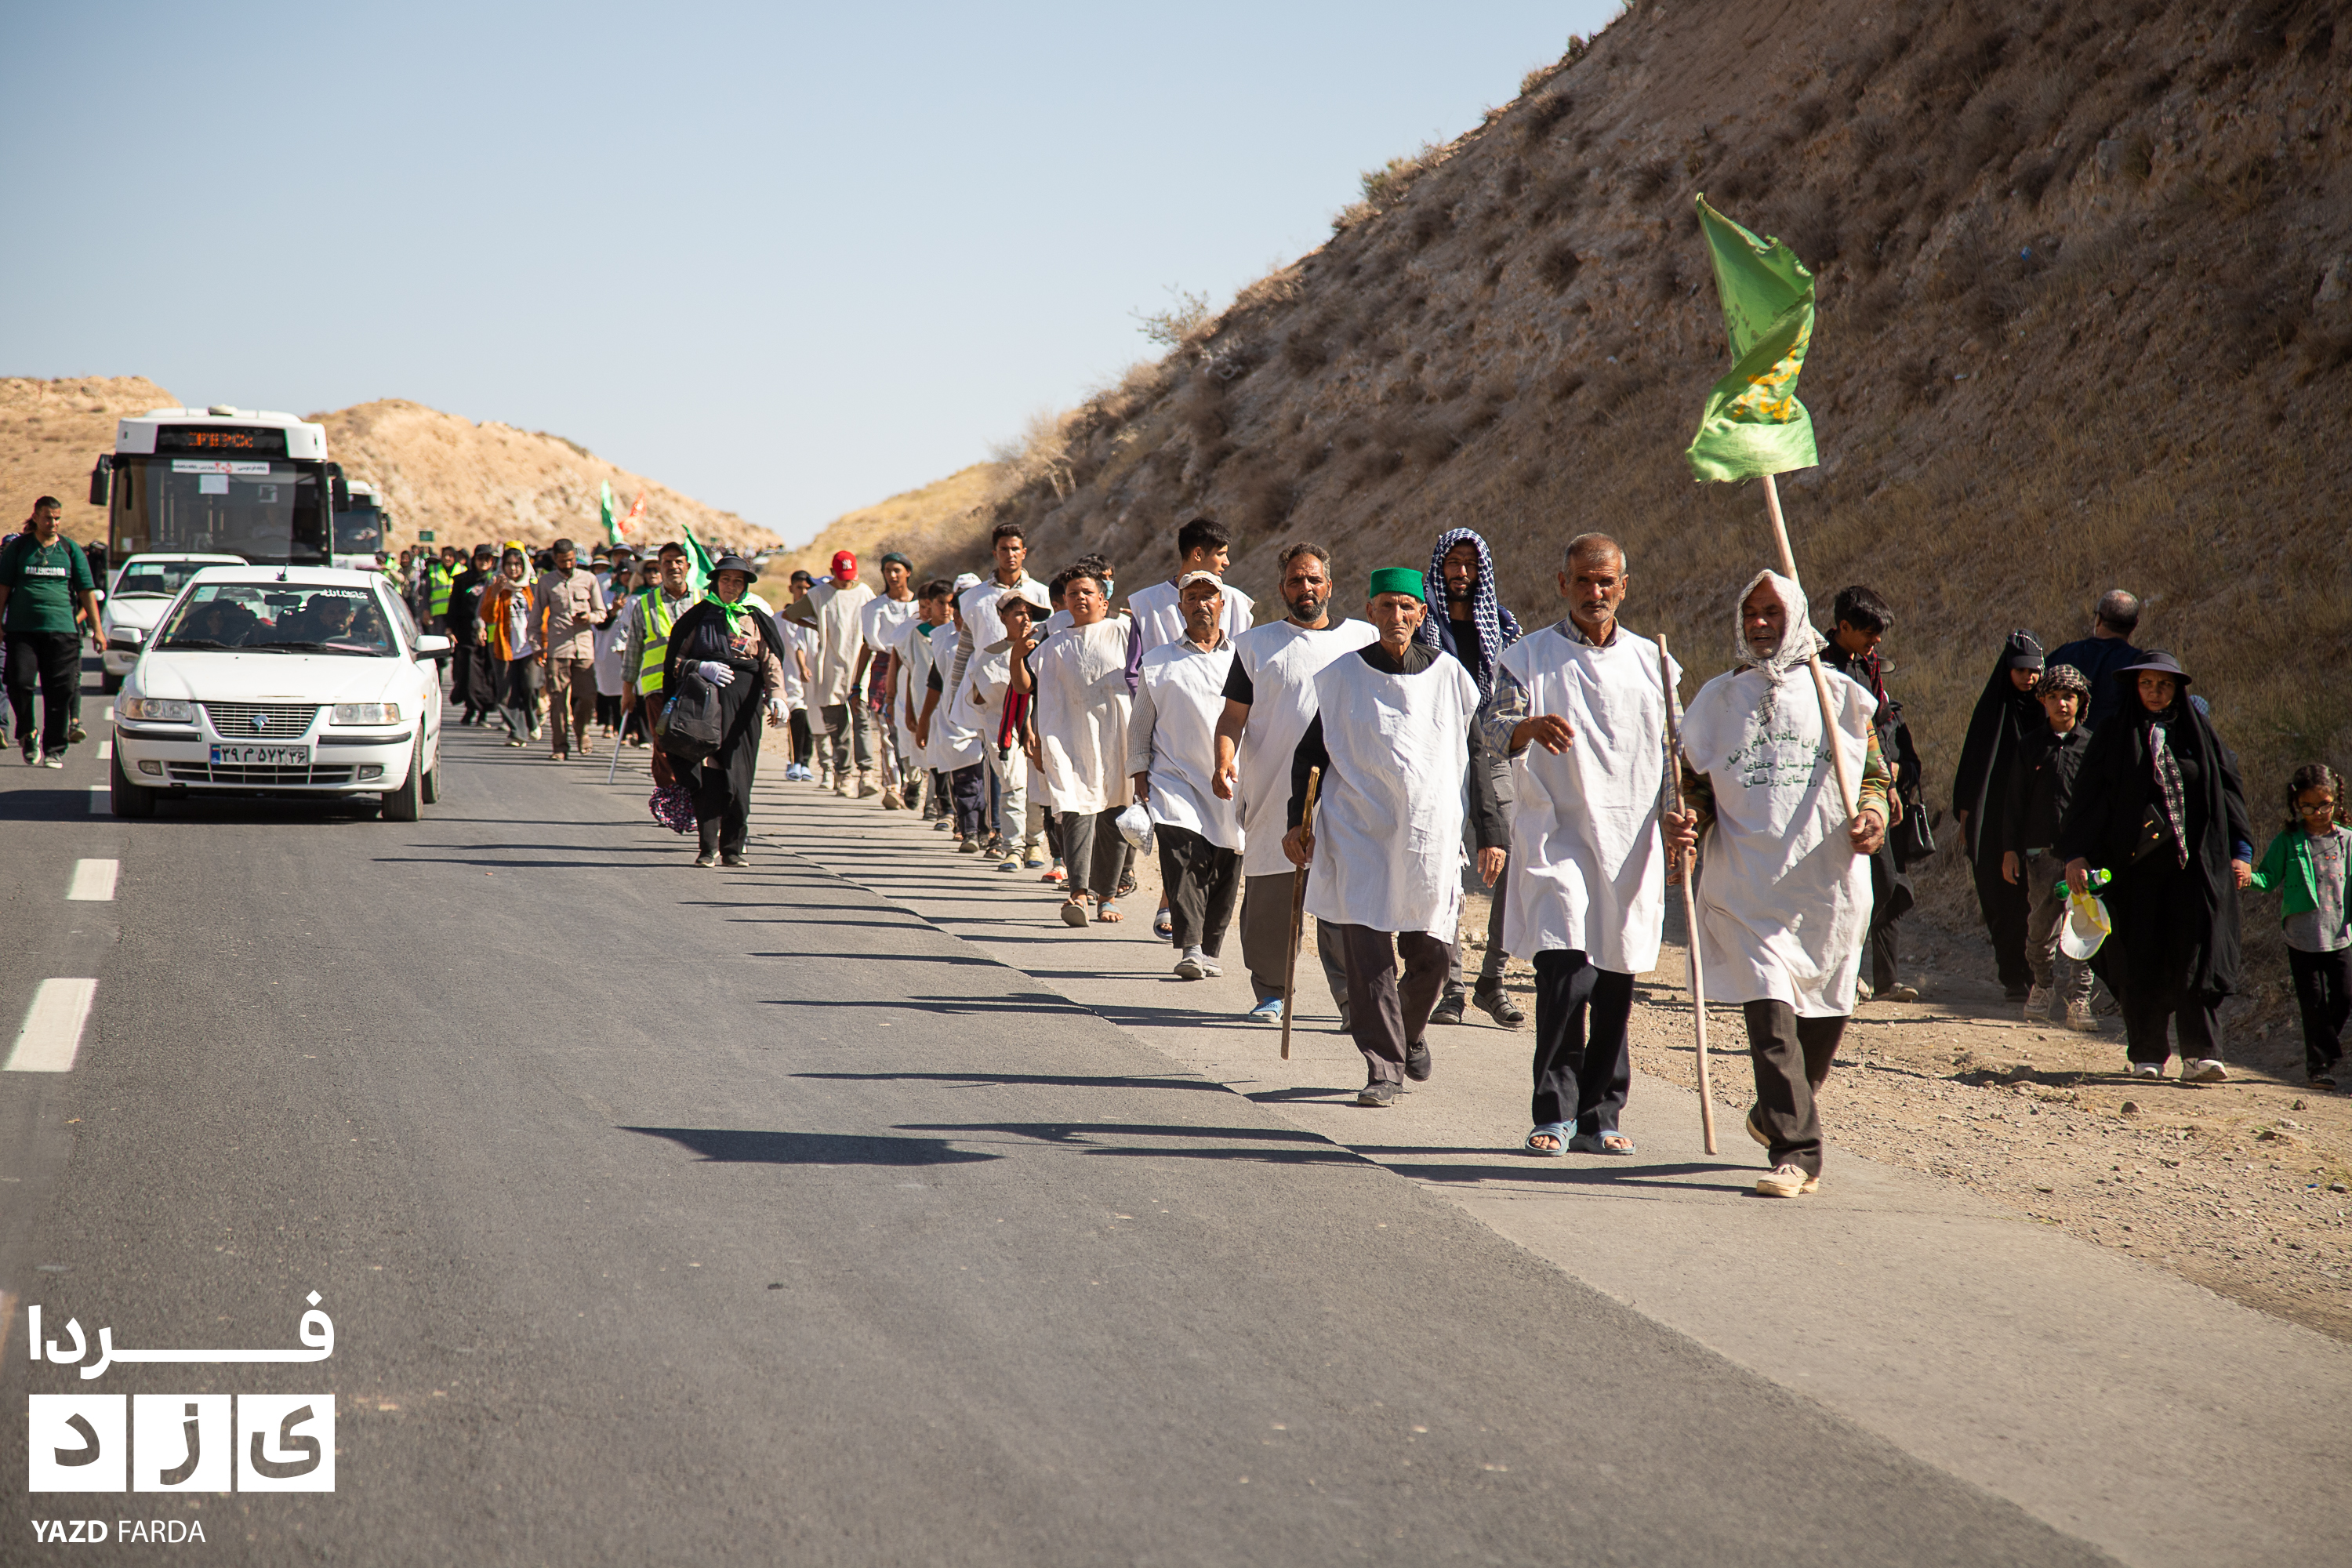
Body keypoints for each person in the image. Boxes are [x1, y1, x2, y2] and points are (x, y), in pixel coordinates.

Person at [1679, 571, 1891, 1197]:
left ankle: (1775, 1111)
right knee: (1771, 1020)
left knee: (1823, 1018)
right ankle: (1797, 1154)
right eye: (1751, 612)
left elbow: (1877, 780)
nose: (1759, 623)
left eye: (1772, 611)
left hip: (1827, 891)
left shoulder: (1841, 697)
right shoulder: (1717, 700)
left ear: (1796, 617)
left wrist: (1873, 817)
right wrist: (1685, 820)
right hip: (1747, 889)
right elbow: (1693, 789)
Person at [1481, 534, 1691, 1154]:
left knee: (1615, 981)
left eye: (1606, 582)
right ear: (1562, 583)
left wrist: (1678, 819)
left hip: (1629, 844)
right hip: (1557, 838)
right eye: (1582, 580)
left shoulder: (1655, 663)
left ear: (1623, 587)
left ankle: (1602, 1115)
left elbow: (1674, 754)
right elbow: (1491, 730)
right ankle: (1554, 1111)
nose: (1594, 592)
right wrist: (1527, 727)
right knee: (1565, 974)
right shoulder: (1528, 657)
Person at [1283, 567, 1504, 1106]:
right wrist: (1298, 823)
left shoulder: (1449, 677)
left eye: (1407, 607)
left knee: (1434, 954)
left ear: (1422, 613)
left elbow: (1476, 755)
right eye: (1386, 606)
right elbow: (1311, 757)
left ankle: (1408, 1031)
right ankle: (1383, 1067)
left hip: (1429, 835)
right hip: (1359, 832)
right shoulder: (1342, 678)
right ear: (1370, 611)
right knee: (1368, 956)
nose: (1397, 616)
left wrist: (1491, 831)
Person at [2058, 652, 2252, 1083]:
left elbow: (2228, 794)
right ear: (2135, 687)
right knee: (2140, 957)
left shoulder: (2199, 735)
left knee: (2195, 956)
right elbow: (2086, 799)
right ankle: (2147, 1053)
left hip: (2196, 870)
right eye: (2147, 684)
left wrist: (2242, 850)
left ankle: (2201, 1054)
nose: (2155, 692)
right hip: (2133, 873)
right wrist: (2076, 854)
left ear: (2177, 689)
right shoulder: (2113, 734)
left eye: (2164, 685)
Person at [1212, 543, 1378, 1023]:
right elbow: (1232, 718)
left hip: (1346, 790)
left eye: (1313, 579)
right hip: (1274, 792)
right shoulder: (1254, 646)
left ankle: (1353, 1001)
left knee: (1343, 902)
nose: (1305, 588)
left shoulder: (1363, 638)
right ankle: (1271, 992)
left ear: (1329, 585)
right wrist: (1223, 760)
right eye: (1294, 580)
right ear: (1282, 588)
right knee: (1272, 901)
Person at [1417, 526, 1526, 1029]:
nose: (1461, 573)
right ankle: (1453, 985)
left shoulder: (1503, 628)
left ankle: (1492, 980)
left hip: (1494, 755)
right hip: (1436, 756)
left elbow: (1516, 696)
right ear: (1439, 569)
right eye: (1452, 563)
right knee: (1442, 865)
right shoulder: (1420, 623)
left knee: (1510, 858)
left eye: (1470, 564)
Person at [1128, 572, 1244, 978]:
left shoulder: (1244, 657)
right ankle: (1191, 947)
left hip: (1230, 779)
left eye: (1208, 596)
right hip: (1173, 780)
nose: (1201, 604)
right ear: (1181, 607)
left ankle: (1210, 950)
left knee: (1226, 861)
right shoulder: (1158, 661)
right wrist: (1139, 775)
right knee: (1182, 856)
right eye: (1191, 597)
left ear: (1222, 604)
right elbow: (1140, 724)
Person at [1018, 565, 1135, 926]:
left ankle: (1108, 896)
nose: (1080, 598)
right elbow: (1024, 686)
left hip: (1117, 739)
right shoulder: (1052, 645)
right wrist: (1017, 654)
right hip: (1067, 741)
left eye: (1087, 592)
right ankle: (1078, 893)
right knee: (1073, 811)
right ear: (1065, 602)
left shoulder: (1124, 632)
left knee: (1115, 814)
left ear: (1103, 598)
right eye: (1073, 593)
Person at [1823, 584, 1922, 1003]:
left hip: (1872, 791)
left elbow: (1877, 730)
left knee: (1886, 881)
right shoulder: (1818, 669)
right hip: (1831, 795)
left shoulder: (1868, 667)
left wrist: (1888, 784)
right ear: (1843, 627)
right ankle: (1839, 973)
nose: (1876, 641)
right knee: (1842, 888)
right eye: (1869, 632)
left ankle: (1886, 979)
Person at [660, 554, 789, 867]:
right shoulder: (698, 616)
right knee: (710, 774)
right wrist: (700, 667)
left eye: (738, 581)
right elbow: (675, 661)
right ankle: (707, 848)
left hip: (745, 706)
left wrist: (778, 696)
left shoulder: (756, 618)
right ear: (715, 582)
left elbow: (770, 661)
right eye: (726, 579)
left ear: (745, 586)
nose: (731, 586)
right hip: (705, 704)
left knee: (739, 776)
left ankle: (733, 847)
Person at [2002, 662, 2100, 1031]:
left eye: (2069, 696)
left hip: (2084, 856)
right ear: (2042, 700)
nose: (2062, 703)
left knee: (2084, 927)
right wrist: (2010, 850)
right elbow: (2014, 803)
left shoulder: (2092, 747)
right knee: (2041, 927)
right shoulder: (2030, 746)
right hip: (2041, 855)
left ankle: (2079, 1001)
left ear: (2081, 701)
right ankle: (2042, 986)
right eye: (2054, 696)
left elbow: (2101, 804)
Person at [1952, 630, 2045, 999]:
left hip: (2034, 818)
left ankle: (2037, 972)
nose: (2028, 678)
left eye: (2034, 671)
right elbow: (1972, 767)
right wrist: (1966, 820)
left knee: (2033, 897)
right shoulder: (1993, 711)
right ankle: (2013, 975)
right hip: (1992, 819)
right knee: (1999, 896)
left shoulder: (2046, 711)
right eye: (2021, 670)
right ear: (2007, 669)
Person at [2249, 764, 2350, 1090]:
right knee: (2313, 1003)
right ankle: (2318, 1066)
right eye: (2308, 807)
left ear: (2336, 801)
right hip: (2301, 937)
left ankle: (2324, 1048)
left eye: (2324, 805)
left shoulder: (2347, 840)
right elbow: (2267, 878)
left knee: (2345, 996)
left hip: (2341, 935)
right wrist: (2247, 877)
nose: (2317, 813)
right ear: (2296, 805)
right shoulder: (2288, 841)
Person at [0, 496, 100, 767]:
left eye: (57, 518)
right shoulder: (19, 548)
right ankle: (27, 732)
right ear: (35, 517)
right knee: (18, 682)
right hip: (23, 631)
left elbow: (86, 590)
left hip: (63, 631)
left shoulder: (70, 549)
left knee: (61, 690)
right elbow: (3, 587)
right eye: (48, 518)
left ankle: (54, 748)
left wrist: (98, 630)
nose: (53, 523)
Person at [964, 592, 1046, 871]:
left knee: (1037, 787)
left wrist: (1031, 722)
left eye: (1029, 614)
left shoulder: (1042, 648)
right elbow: (982, 695)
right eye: (1018, 613)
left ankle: (1034, 843)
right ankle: (1014, 848)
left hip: (1040, 729)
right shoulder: (990, 654)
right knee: (1013, 786)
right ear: (1002, 617)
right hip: (1004, 730)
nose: (1025, 619)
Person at [912, 579, 988, 847]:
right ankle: (969, 831)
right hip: (955, 722)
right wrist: (924, 721)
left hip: (986, 721)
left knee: (987, 781)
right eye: (955, 612)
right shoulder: (944, 642)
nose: (956, 617)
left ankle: (988, 831)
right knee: (965, 779)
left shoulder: (988, 642)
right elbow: (935, 682)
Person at [948, 521, 1051, 704]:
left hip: (1032, 696)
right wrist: (956, 700)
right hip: (987, 699)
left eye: (1015, 549)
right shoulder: (973, 598)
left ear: (1024, 552)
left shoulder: (1042, 594)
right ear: (995, 554)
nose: (1010, 554)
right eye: (1004, 549)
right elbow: (964, 651)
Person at [802, 550, 877, 797]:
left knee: (862, 720)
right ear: (832, 572)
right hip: (830, 668)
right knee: (838, 727)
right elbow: (792, 614)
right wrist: (818, 626)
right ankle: (844, 775)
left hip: (859, 667)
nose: (847, 582)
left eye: (850, 577)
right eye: (842, 577)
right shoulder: (818, 594)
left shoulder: (864, 593)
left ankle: (866, 774)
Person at [855, 552, 923, 808]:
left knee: (913, 727)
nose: (892, 576)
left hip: (916, 667)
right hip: (884, 669)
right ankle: (893, 786)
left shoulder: (921, 607)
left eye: (897, 570)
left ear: (908, 572)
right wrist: (856, 685)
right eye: (887, 571)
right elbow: (867, 645)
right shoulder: (874, 608)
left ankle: (913, 780)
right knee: (886, 729)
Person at [532, 537, 607, 760]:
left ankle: (582, 732)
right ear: (555, 559)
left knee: (588, 696)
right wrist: (536, 646)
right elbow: (536, 617)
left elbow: (601, 613)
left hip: (584, 649)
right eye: (563, 560)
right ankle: (560, 747)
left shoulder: (589, 579)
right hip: (557, 650)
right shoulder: (546, 582)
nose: (568, 564)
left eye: (571, 560)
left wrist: (588, 617)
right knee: (558, 700)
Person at [2045, 590, 2144, 732]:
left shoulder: (2063, 653)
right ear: (2135, 624)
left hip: (2066, 742)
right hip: (2116, 744)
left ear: (2099, 619)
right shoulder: (2140, 664)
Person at [477, 546, 541, 746]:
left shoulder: (531, 588)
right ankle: (517, 733)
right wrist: (495, 594)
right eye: (509, 565)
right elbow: (488, 616)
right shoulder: (497, 586)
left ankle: (532, 720)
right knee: (506, 692)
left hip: (528, 646)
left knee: (529, 687)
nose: (513, 569)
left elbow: (542, 615)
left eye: (517, 565)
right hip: (504, 646)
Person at [447, 545, 496, 725]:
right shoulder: (463, 581)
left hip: (490, 635)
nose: (484, 562)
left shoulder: (495, 581)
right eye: (480, 558)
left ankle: (483, 713)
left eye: (488, 559)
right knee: (468, 672)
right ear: (474, 560)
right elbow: (454, 606)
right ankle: (470, 709)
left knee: (487, 673)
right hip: (466, 634)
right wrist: (450, 629)